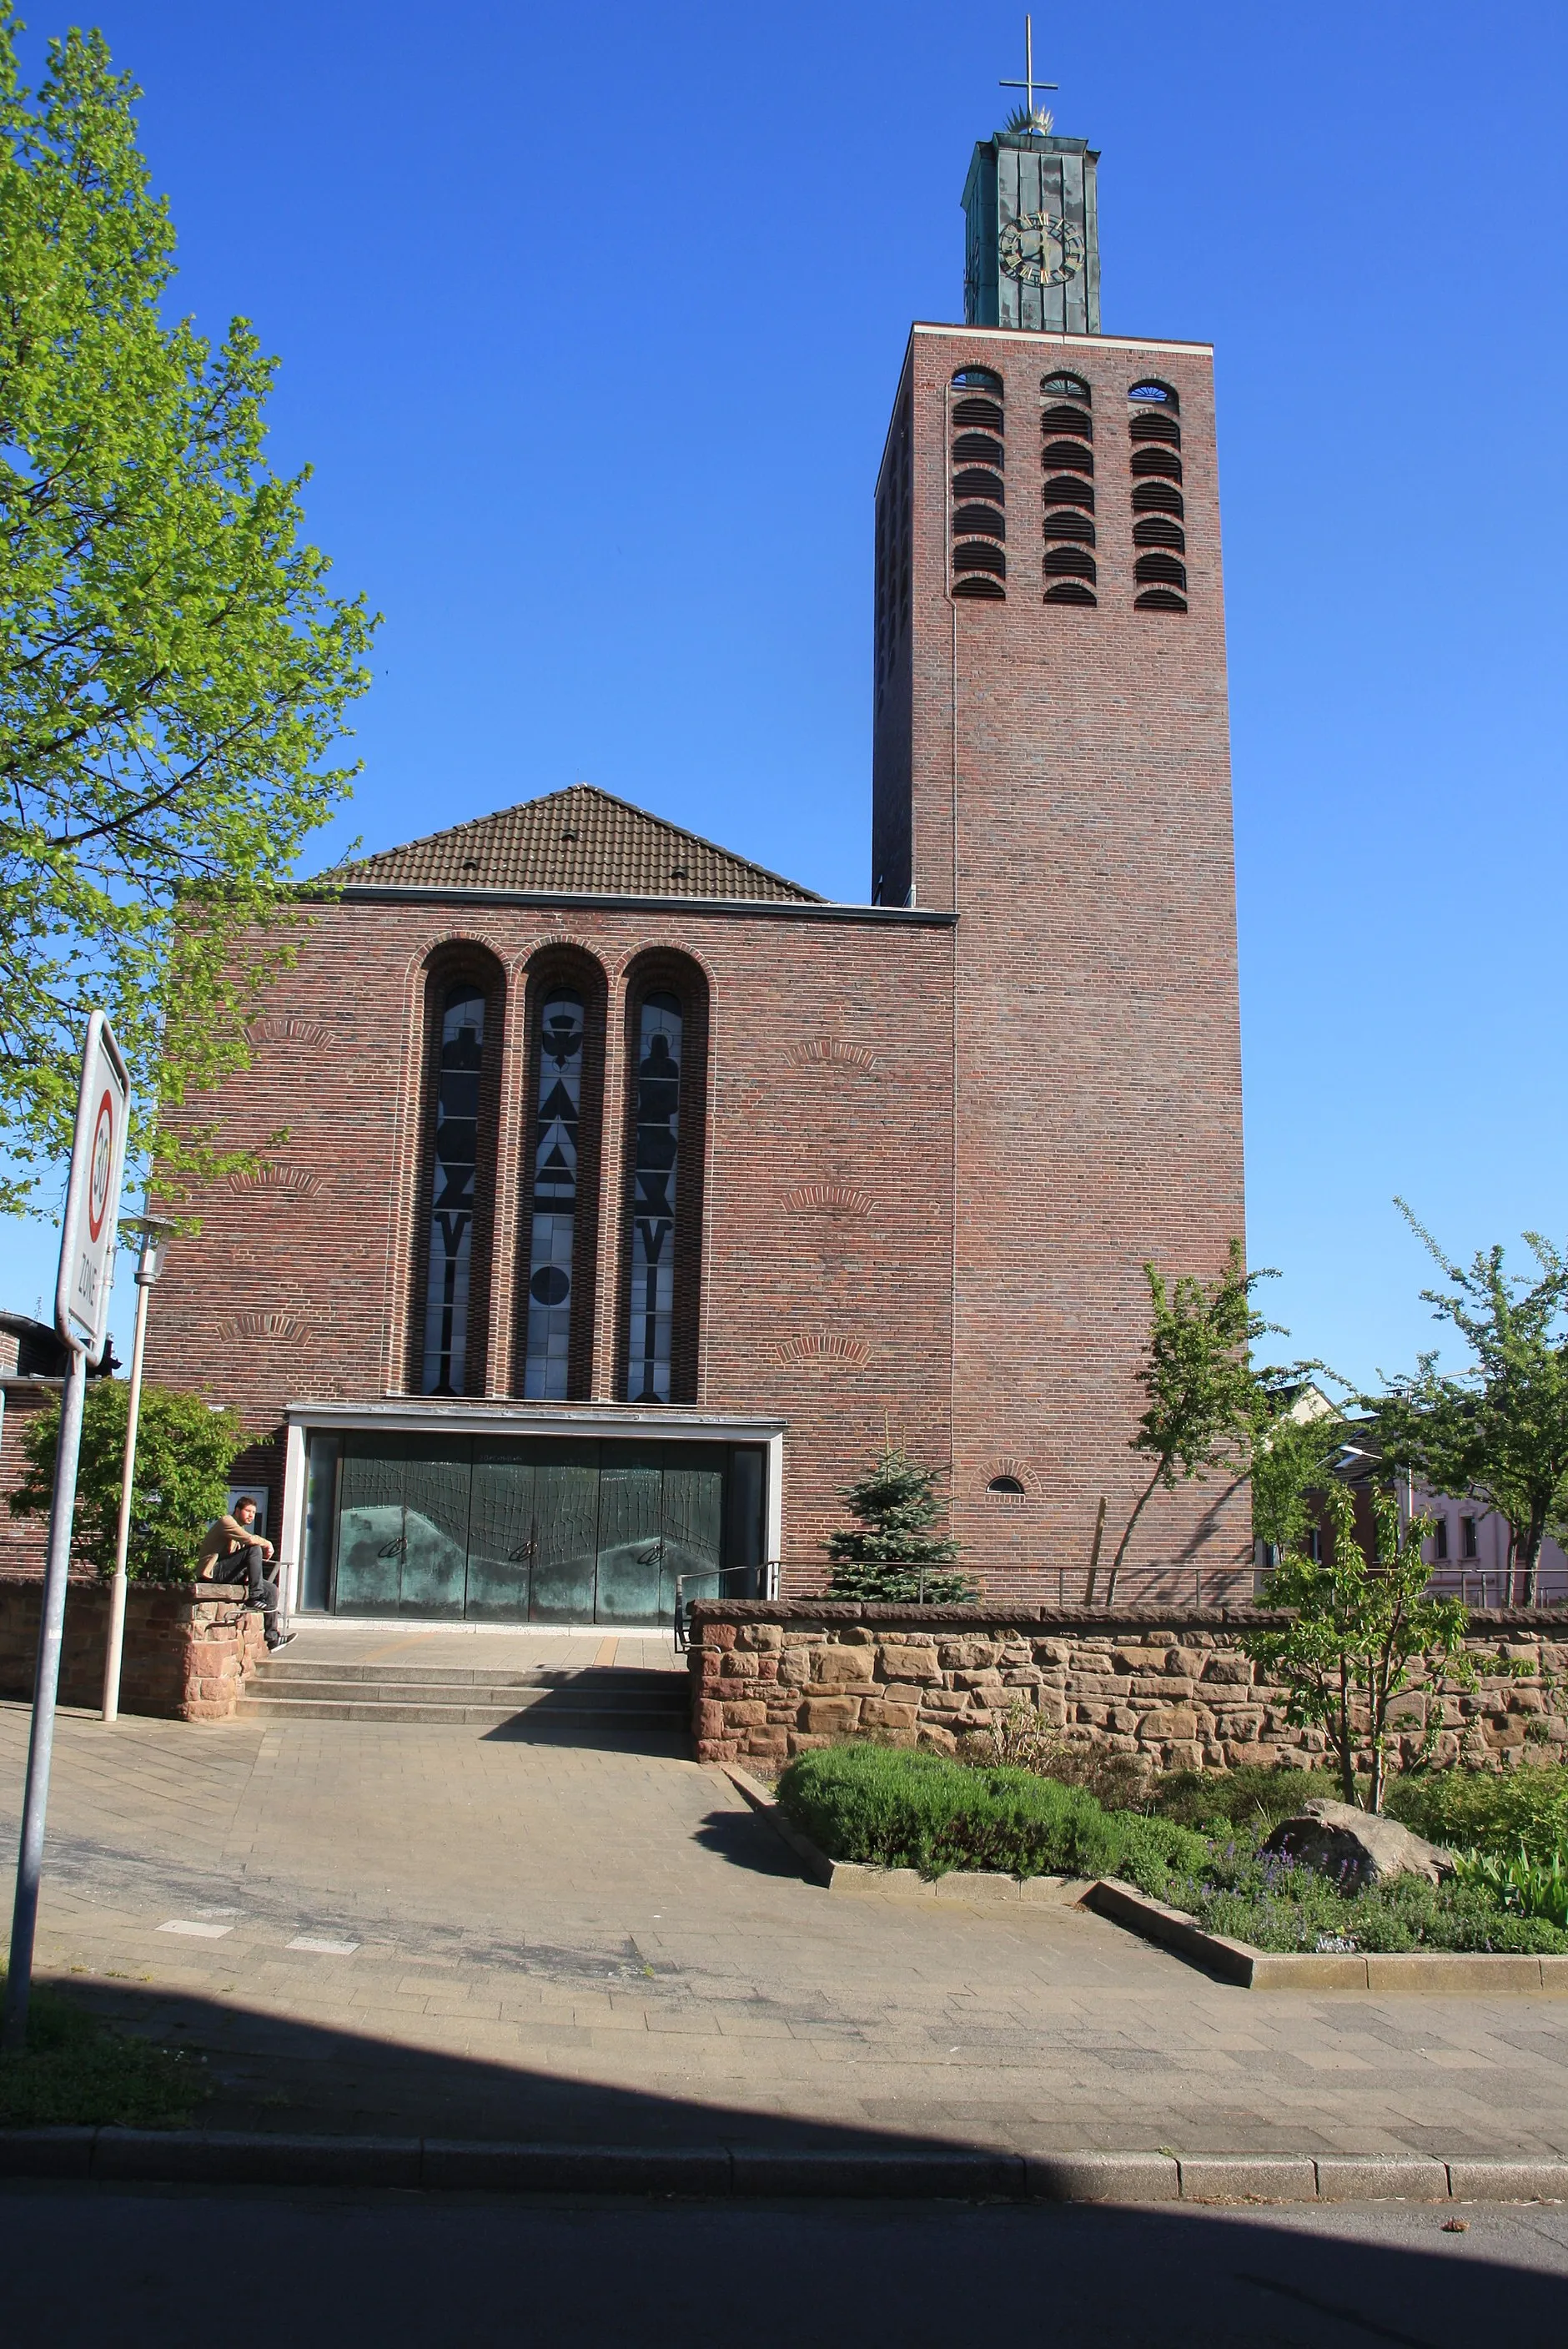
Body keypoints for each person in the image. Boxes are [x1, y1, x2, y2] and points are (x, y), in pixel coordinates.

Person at [198, 1496, 291, 1650]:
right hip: (212, 1572)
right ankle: (255, 1597)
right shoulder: (226, 1522)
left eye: (254, 1513)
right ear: (237, 1510)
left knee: (272, 1590)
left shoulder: (239, 1530)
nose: (251, 1516)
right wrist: (267, 1543)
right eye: (248, 1511)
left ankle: (272, 1638)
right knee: (254, 1548)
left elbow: (242, 1559)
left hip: (228, 1574)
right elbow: (250, 1540)